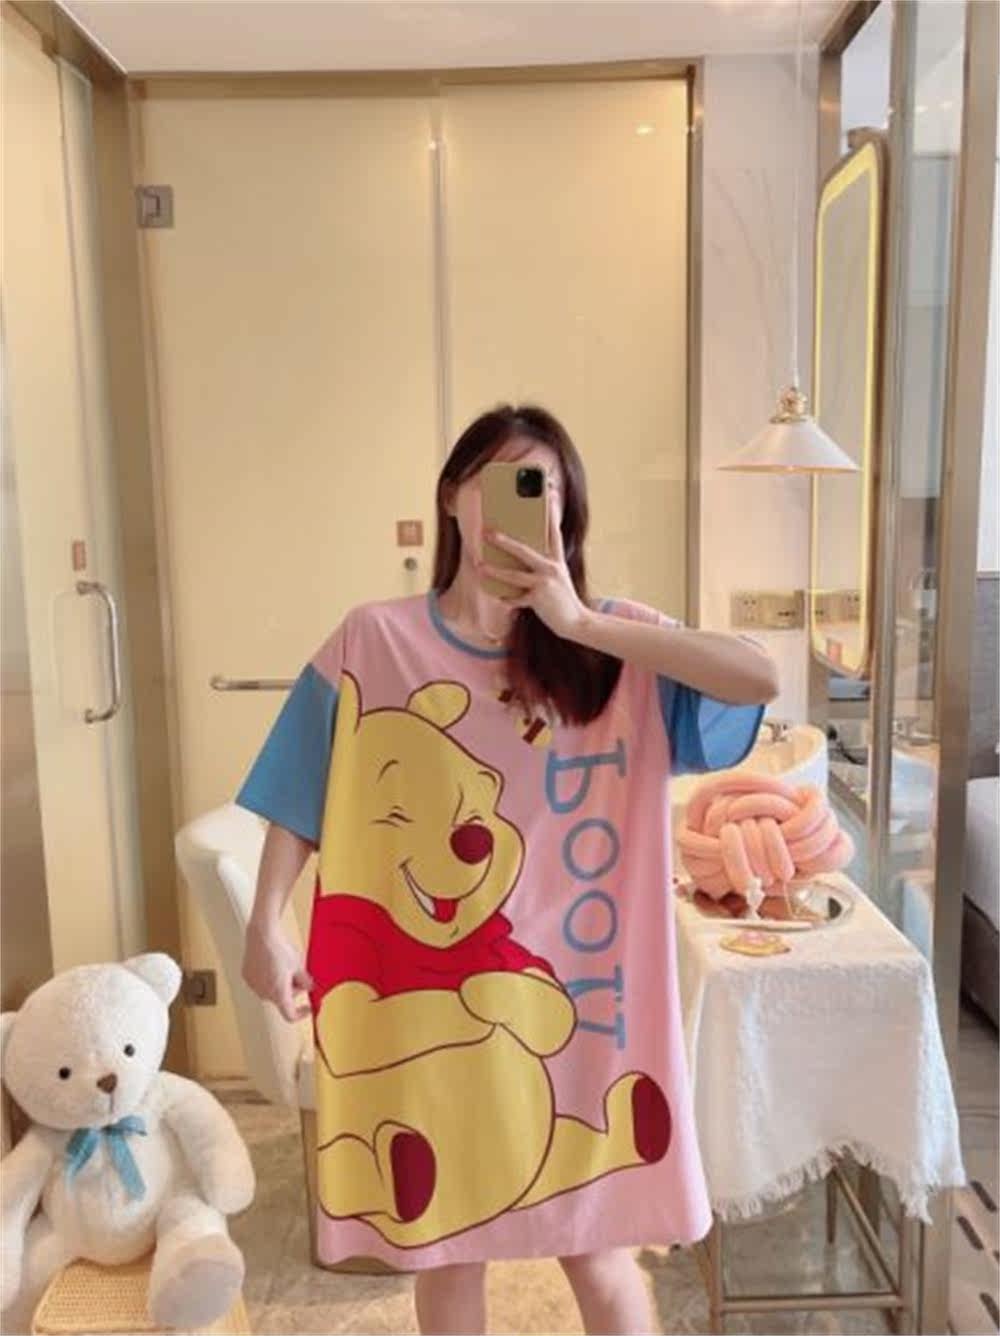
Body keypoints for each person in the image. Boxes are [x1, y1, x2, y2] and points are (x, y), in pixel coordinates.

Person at [239, 403, 779, 1335]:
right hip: (439, 999)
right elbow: (300, 788)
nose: (519, 504)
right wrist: (265, 922)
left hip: (591, 1002)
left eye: (543, 486)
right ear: (454, 497)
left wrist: (581, 621)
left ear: (567, 512)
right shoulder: (374, 640)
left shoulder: (614, 645)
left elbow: (759, 676)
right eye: (498, 481)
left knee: (599, 1247)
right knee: (449, 1249)